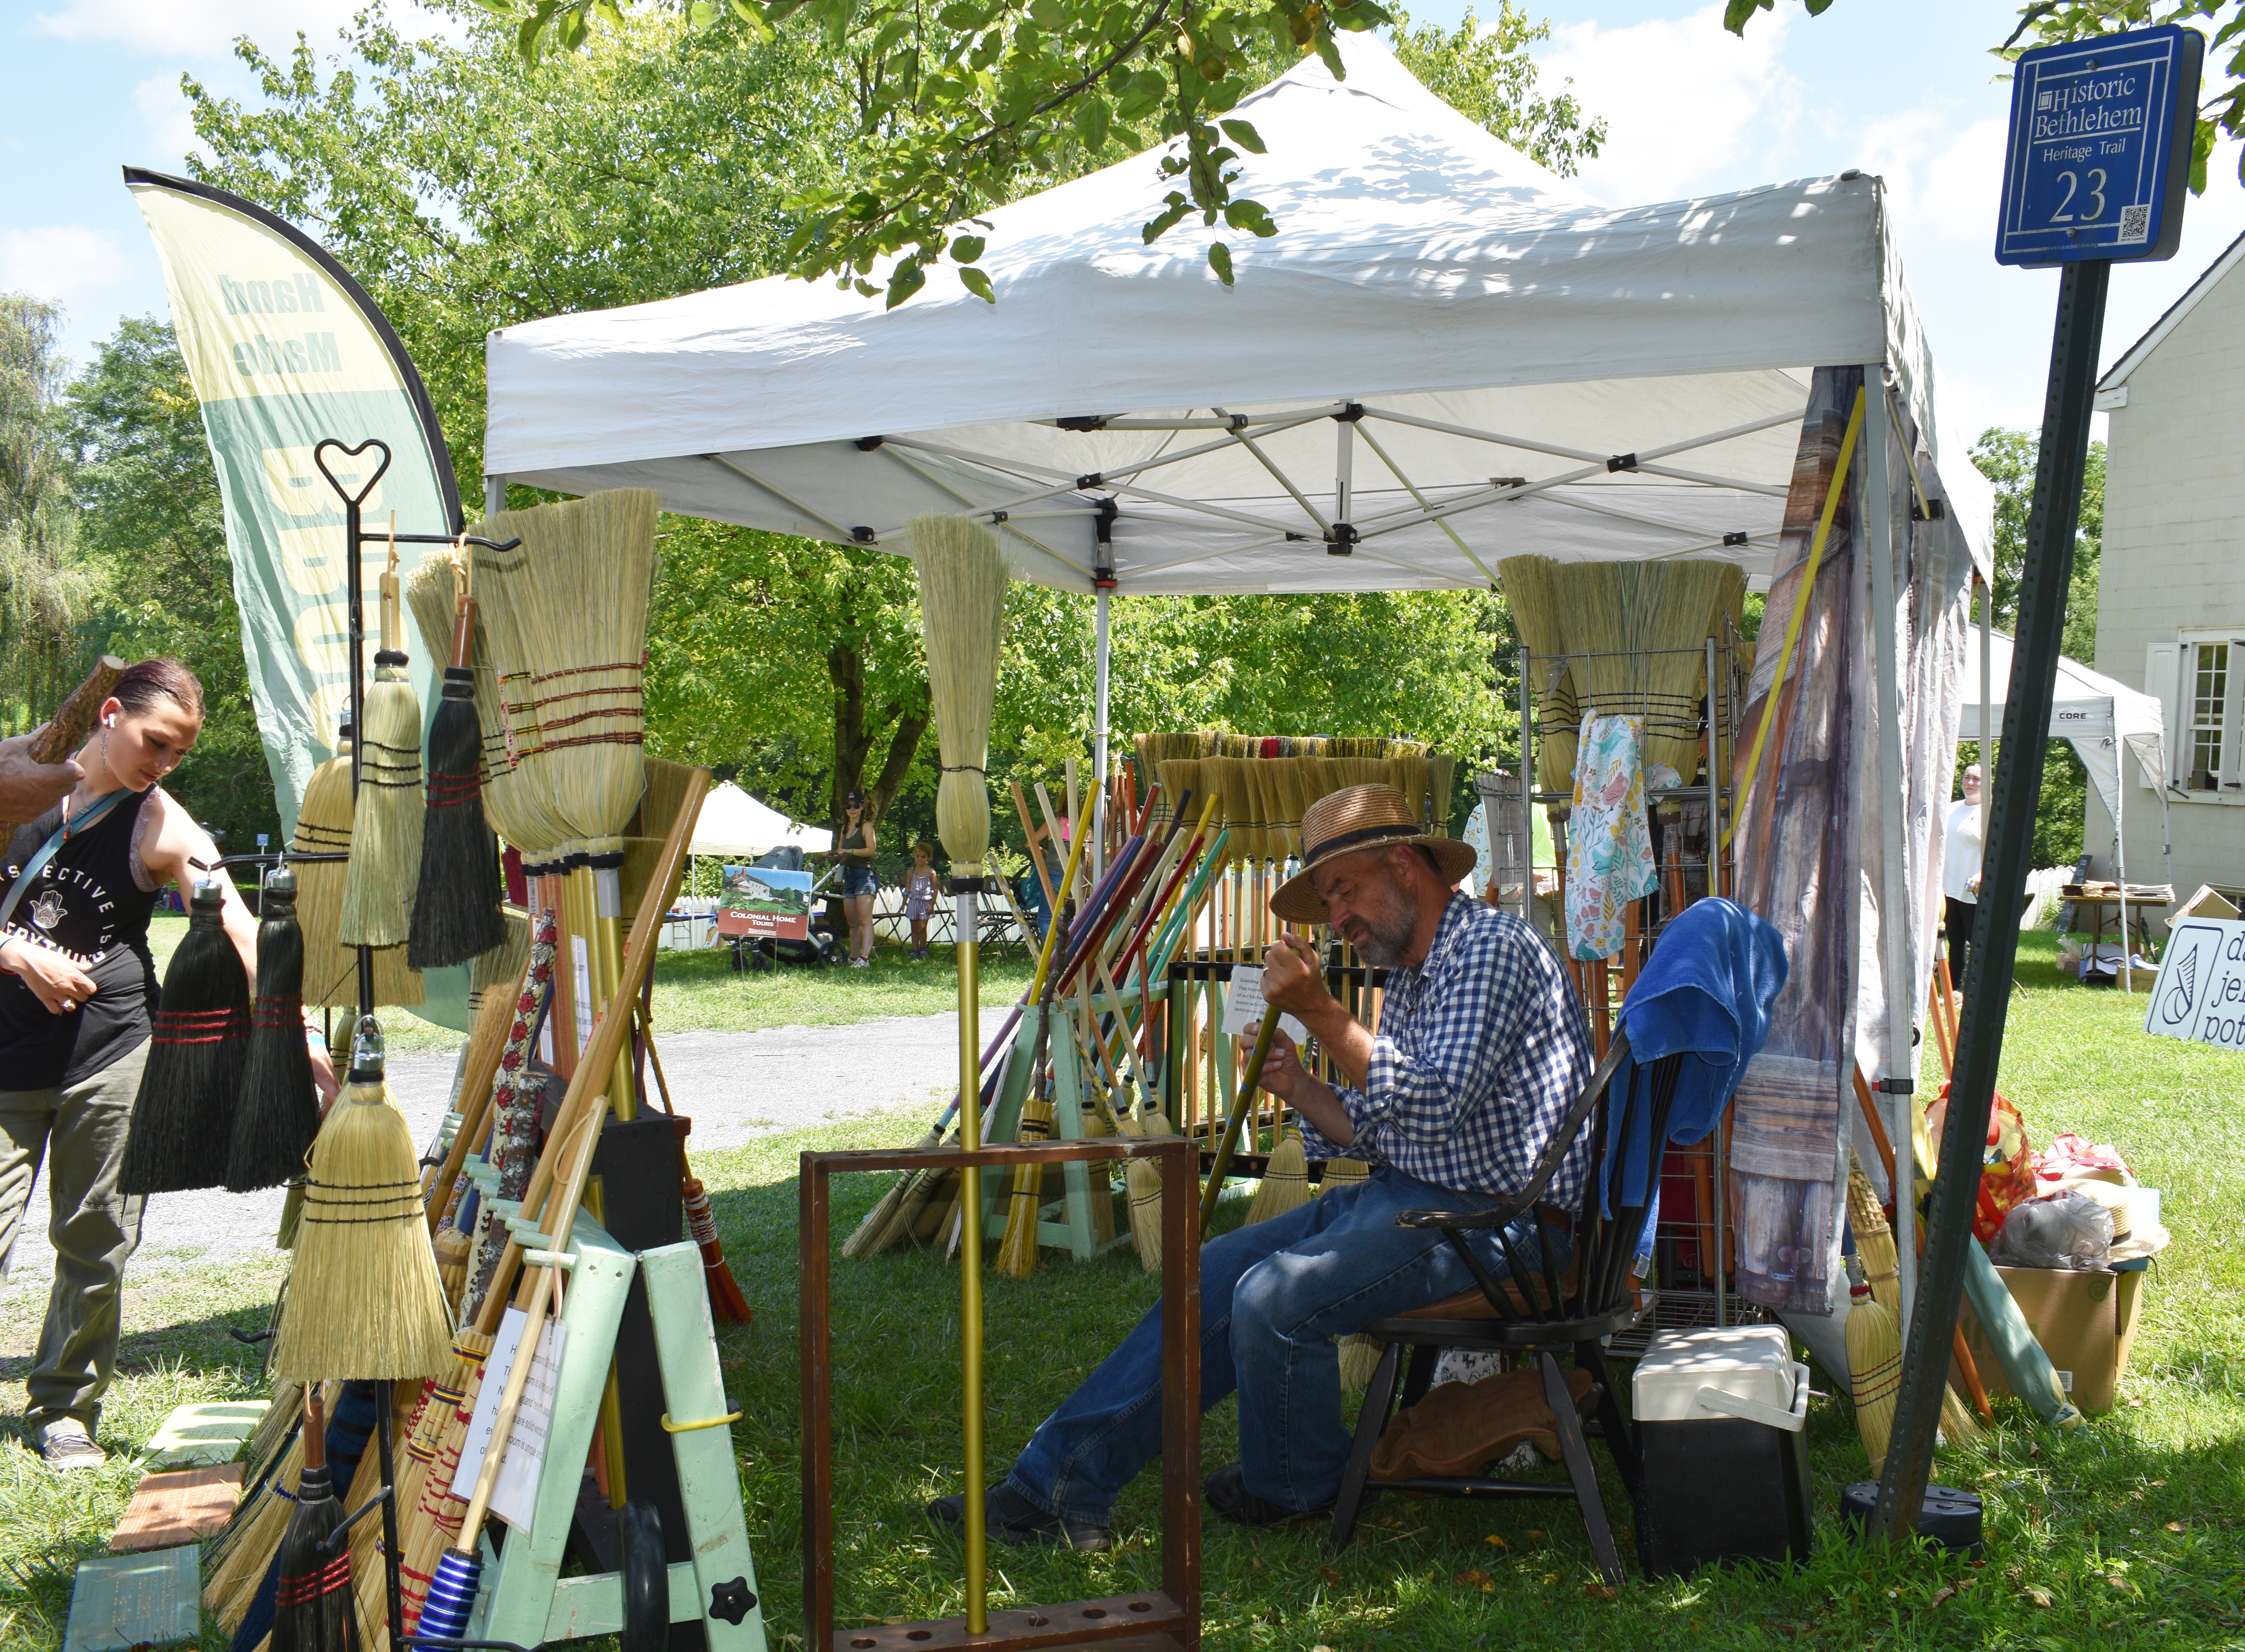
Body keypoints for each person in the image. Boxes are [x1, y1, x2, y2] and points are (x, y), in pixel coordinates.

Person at [931, 784, 1596, 1548]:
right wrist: (1301, 1085)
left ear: (1406, 865)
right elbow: (1382, 1131)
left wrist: (1320, 1011)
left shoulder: (1489, 950)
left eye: (1344, 889)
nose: (1336, 916)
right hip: (1425, 1197)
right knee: (1215, 1271)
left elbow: (1434, 1105)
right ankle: (1057, 1486)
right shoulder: (1419, 970)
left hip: (1501, 1225)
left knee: (1273, 1299)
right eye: (1324, 898)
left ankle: (1296, 1484)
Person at [0, 660, 339, 1468]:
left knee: (98, 1238)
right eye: (156, 743)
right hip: (5, 1059)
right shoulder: (16, 777)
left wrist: (305, 1041)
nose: (164, 763)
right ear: (110, 712)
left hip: (110, 1053)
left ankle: (64, 1410)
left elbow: (243, 934)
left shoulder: (161, 822)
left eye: (179, 752)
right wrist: (17, 953)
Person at [822, 791, 878, 967]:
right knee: (853, 922)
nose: (852, 809)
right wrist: (832, 855)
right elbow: (842, 852)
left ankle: (865, 959)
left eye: (856, 805)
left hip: (864, 876)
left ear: (862, 807)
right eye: (848, 806)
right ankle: (853, 959)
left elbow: (871, 850)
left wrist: (851, 852)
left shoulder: (867, 826)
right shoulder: (845, 828)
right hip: (849, 876)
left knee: (864, 920)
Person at [1943, 763, 1984, 993]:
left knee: (1975, 941)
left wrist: (1982, 874)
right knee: (1954, 939)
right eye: (1967, 777)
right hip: (1949, 886)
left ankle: (1977, 990)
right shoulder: (1952, 809)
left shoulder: (1989, 812)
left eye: (1976, 779)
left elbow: (1995, 851)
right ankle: (1955, 991)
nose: (1970, 783)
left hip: (1973, 889)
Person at [903, 844, 939, 961]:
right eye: (917, 856)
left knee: (922, 927)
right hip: (914, 902)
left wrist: (932, 905)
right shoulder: (911, 872)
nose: (920, 859)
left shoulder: (931, 873)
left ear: (928, 858)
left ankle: (923, 948)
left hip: (925, 903)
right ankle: (914, 949)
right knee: (914, 928)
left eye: (923, 857)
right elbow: (908, 888)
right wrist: (904, 903)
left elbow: (935, 890)